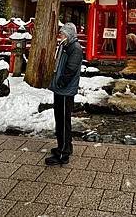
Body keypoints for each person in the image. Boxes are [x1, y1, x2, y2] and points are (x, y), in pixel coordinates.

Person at [45, 22, 83, 166]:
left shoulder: (75, 48)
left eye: (63, 33)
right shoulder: (66, 46)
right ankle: (64, 146)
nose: (61, 36)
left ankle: (63, 154)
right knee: (60, 120)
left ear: (69, 34)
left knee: (63, 121)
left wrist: (61, 82)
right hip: (60, 88)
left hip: (65, 89)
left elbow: (70, 69)